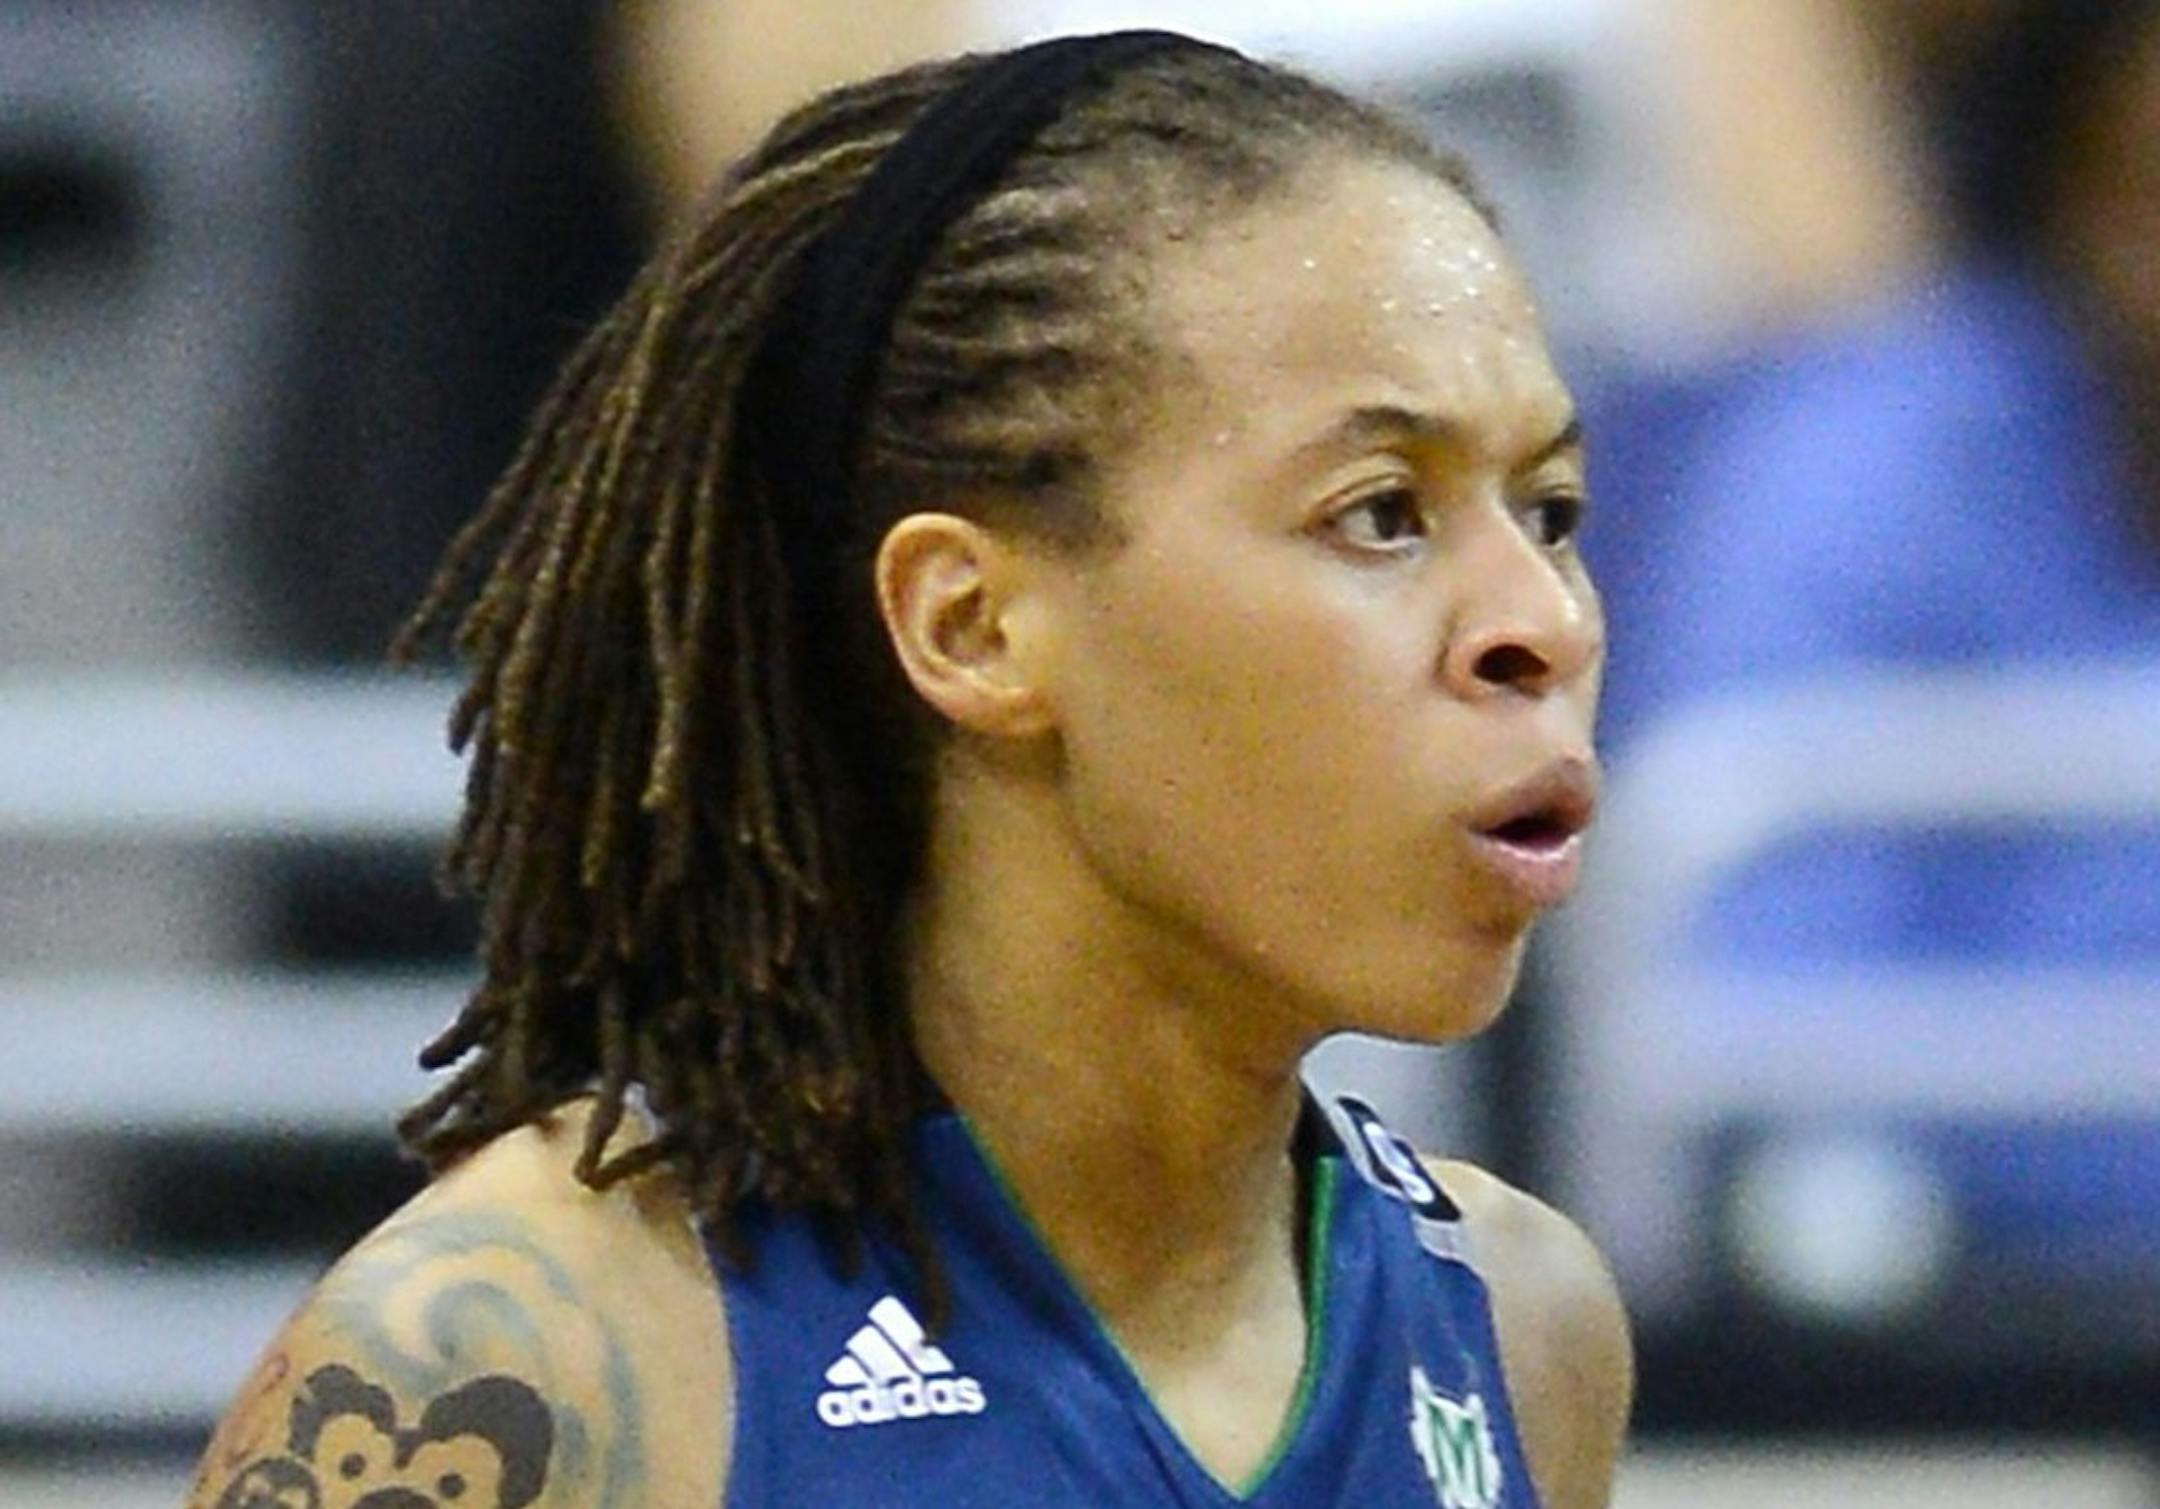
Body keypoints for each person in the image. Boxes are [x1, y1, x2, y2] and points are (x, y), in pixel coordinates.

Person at [185, 31, 1630, 1509]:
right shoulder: (516, 1362)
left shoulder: (1524, 1326)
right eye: (1381, 513)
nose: (1546, 621)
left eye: (1552, 511)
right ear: (971, 626)